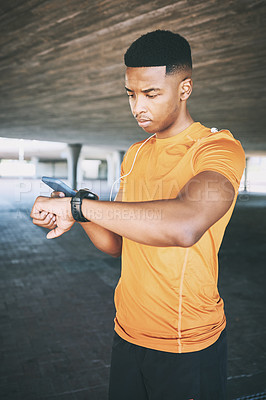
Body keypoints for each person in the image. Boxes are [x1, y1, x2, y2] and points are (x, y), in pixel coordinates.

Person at [30, 30, 246, 400]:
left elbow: (185, 225)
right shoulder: (136, 154)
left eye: (151, 93)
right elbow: (116, 244)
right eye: (130, 94)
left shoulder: (217, 149)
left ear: (184, 88)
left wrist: (79, 206)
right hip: (127, 333)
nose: (137, 107)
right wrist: (79, 212)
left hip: (185, 342)